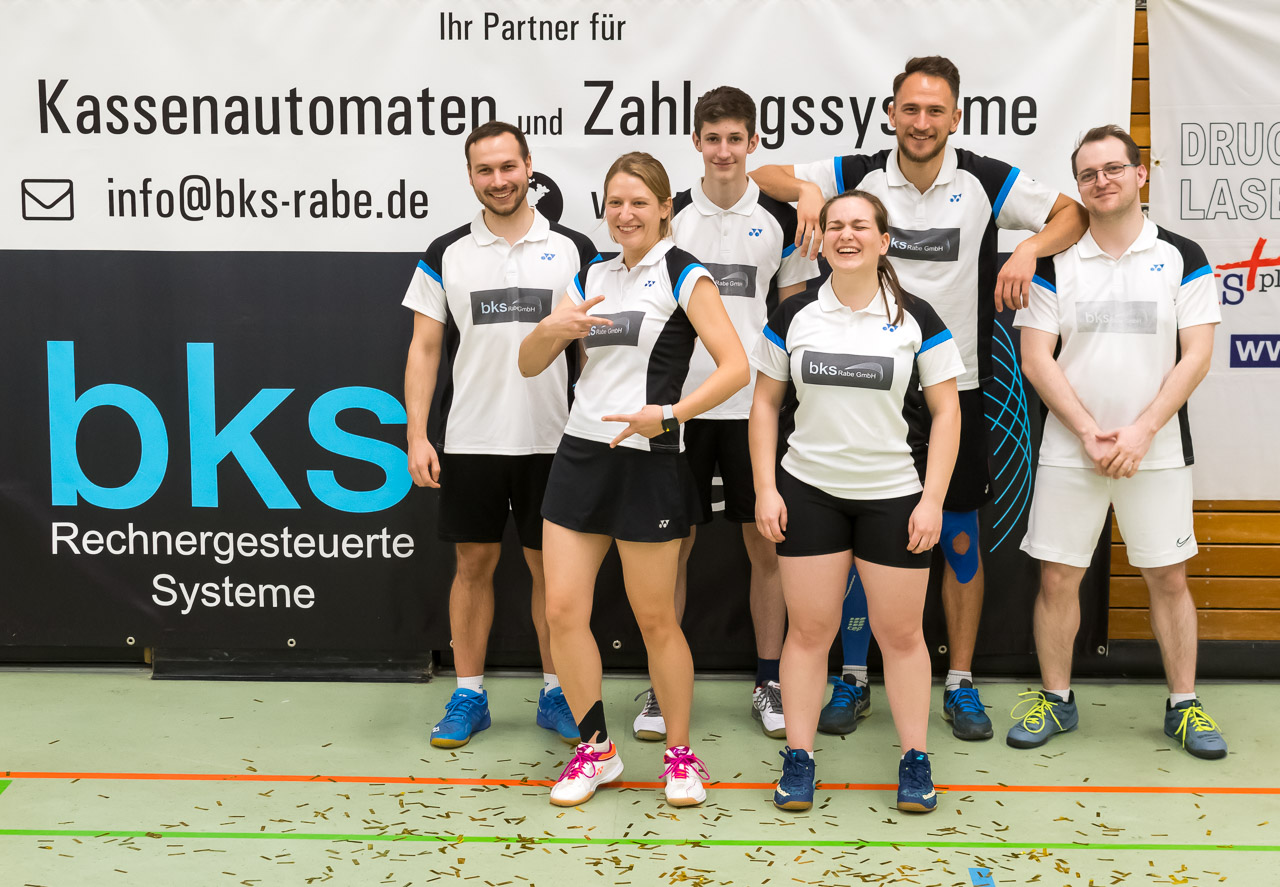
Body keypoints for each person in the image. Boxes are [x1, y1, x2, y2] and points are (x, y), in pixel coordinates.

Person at [752, 56, 1088, 740]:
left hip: (950, 391)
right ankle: (853, 678)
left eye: (936, 110)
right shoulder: (859, 173)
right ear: (891, 114)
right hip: (862, 390)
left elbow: (1072, 213)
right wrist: (808, 192)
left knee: (958, 540)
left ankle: (959, 682)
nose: (922, 122)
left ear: (956, 117)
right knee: (853, 536)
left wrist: (1028, 251)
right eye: (910, 108)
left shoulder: (985, 179)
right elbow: (765, 174)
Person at [518, 152, 749, 807]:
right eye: (616, 203)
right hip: (580, 458)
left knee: (655, 620)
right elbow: (530, 363)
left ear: (664, 208)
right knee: (562, 611)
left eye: (639, 202)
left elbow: (736, 367)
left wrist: (670, 414)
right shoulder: (590, 274)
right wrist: (551, 327)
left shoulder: (684, 273)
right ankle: (595, 750)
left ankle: (679, 755)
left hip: (650, 462)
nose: (626, 214)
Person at [1009, 125, 1226, 759]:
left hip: (1156, 450)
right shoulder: (1054, 262)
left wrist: (1140, 431)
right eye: (1088, 174)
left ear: (1140, 174)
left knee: (1168, 578)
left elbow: (1197, 355)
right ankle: (1057, 699)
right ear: (1078, 186)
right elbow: (1036, 357)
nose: (1101, 181)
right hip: (1070, 449)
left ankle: (1183, 704)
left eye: (1113, 169)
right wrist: (1087, 431)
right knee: (1058, 579)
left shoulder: (1182, 254)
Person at [750, 190, 964, 813]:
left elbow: (948, 412)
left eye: (861, 226)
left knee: (901, 637)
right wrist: (766, 487)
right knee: (809, 632)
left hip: (893, 496)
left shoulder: (917, 316)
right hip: (809, 491)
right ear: (821, 239)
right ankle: (799, 757)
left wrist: (932, 499)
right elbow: (764, 403)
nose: (847, 235)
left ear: (883, 240)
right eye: (836, 225)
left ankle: (915, 760)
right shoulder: (794, 314)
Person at [402, 121, 600, 749]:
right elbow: (424, 348)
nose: (498, 180)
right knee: (473, 565)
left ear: (529, 167)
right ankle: (469, 694)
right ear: (470, 177)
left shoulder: (574, 248)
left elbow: (592, 351)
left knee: (552, 574)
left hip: (556, 441)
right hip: (471, 439)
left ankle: (556, 692)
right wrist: (417, 435)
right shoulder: (445, 252)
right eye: (484, 170)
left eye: (508, 167)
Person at [628, 86, 817, 744]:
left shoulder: (780, 218)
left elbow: (794, 308)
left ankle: (769, 679)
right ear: (697, 142)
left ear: (752, 142)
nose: (724, 150)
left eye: (736, 138)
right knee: (671, 548)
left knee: (765, 545)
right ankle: (662, 686)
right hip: (680, 407)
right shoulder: (672, 215)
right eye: (713, 139)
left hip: (754, 407)